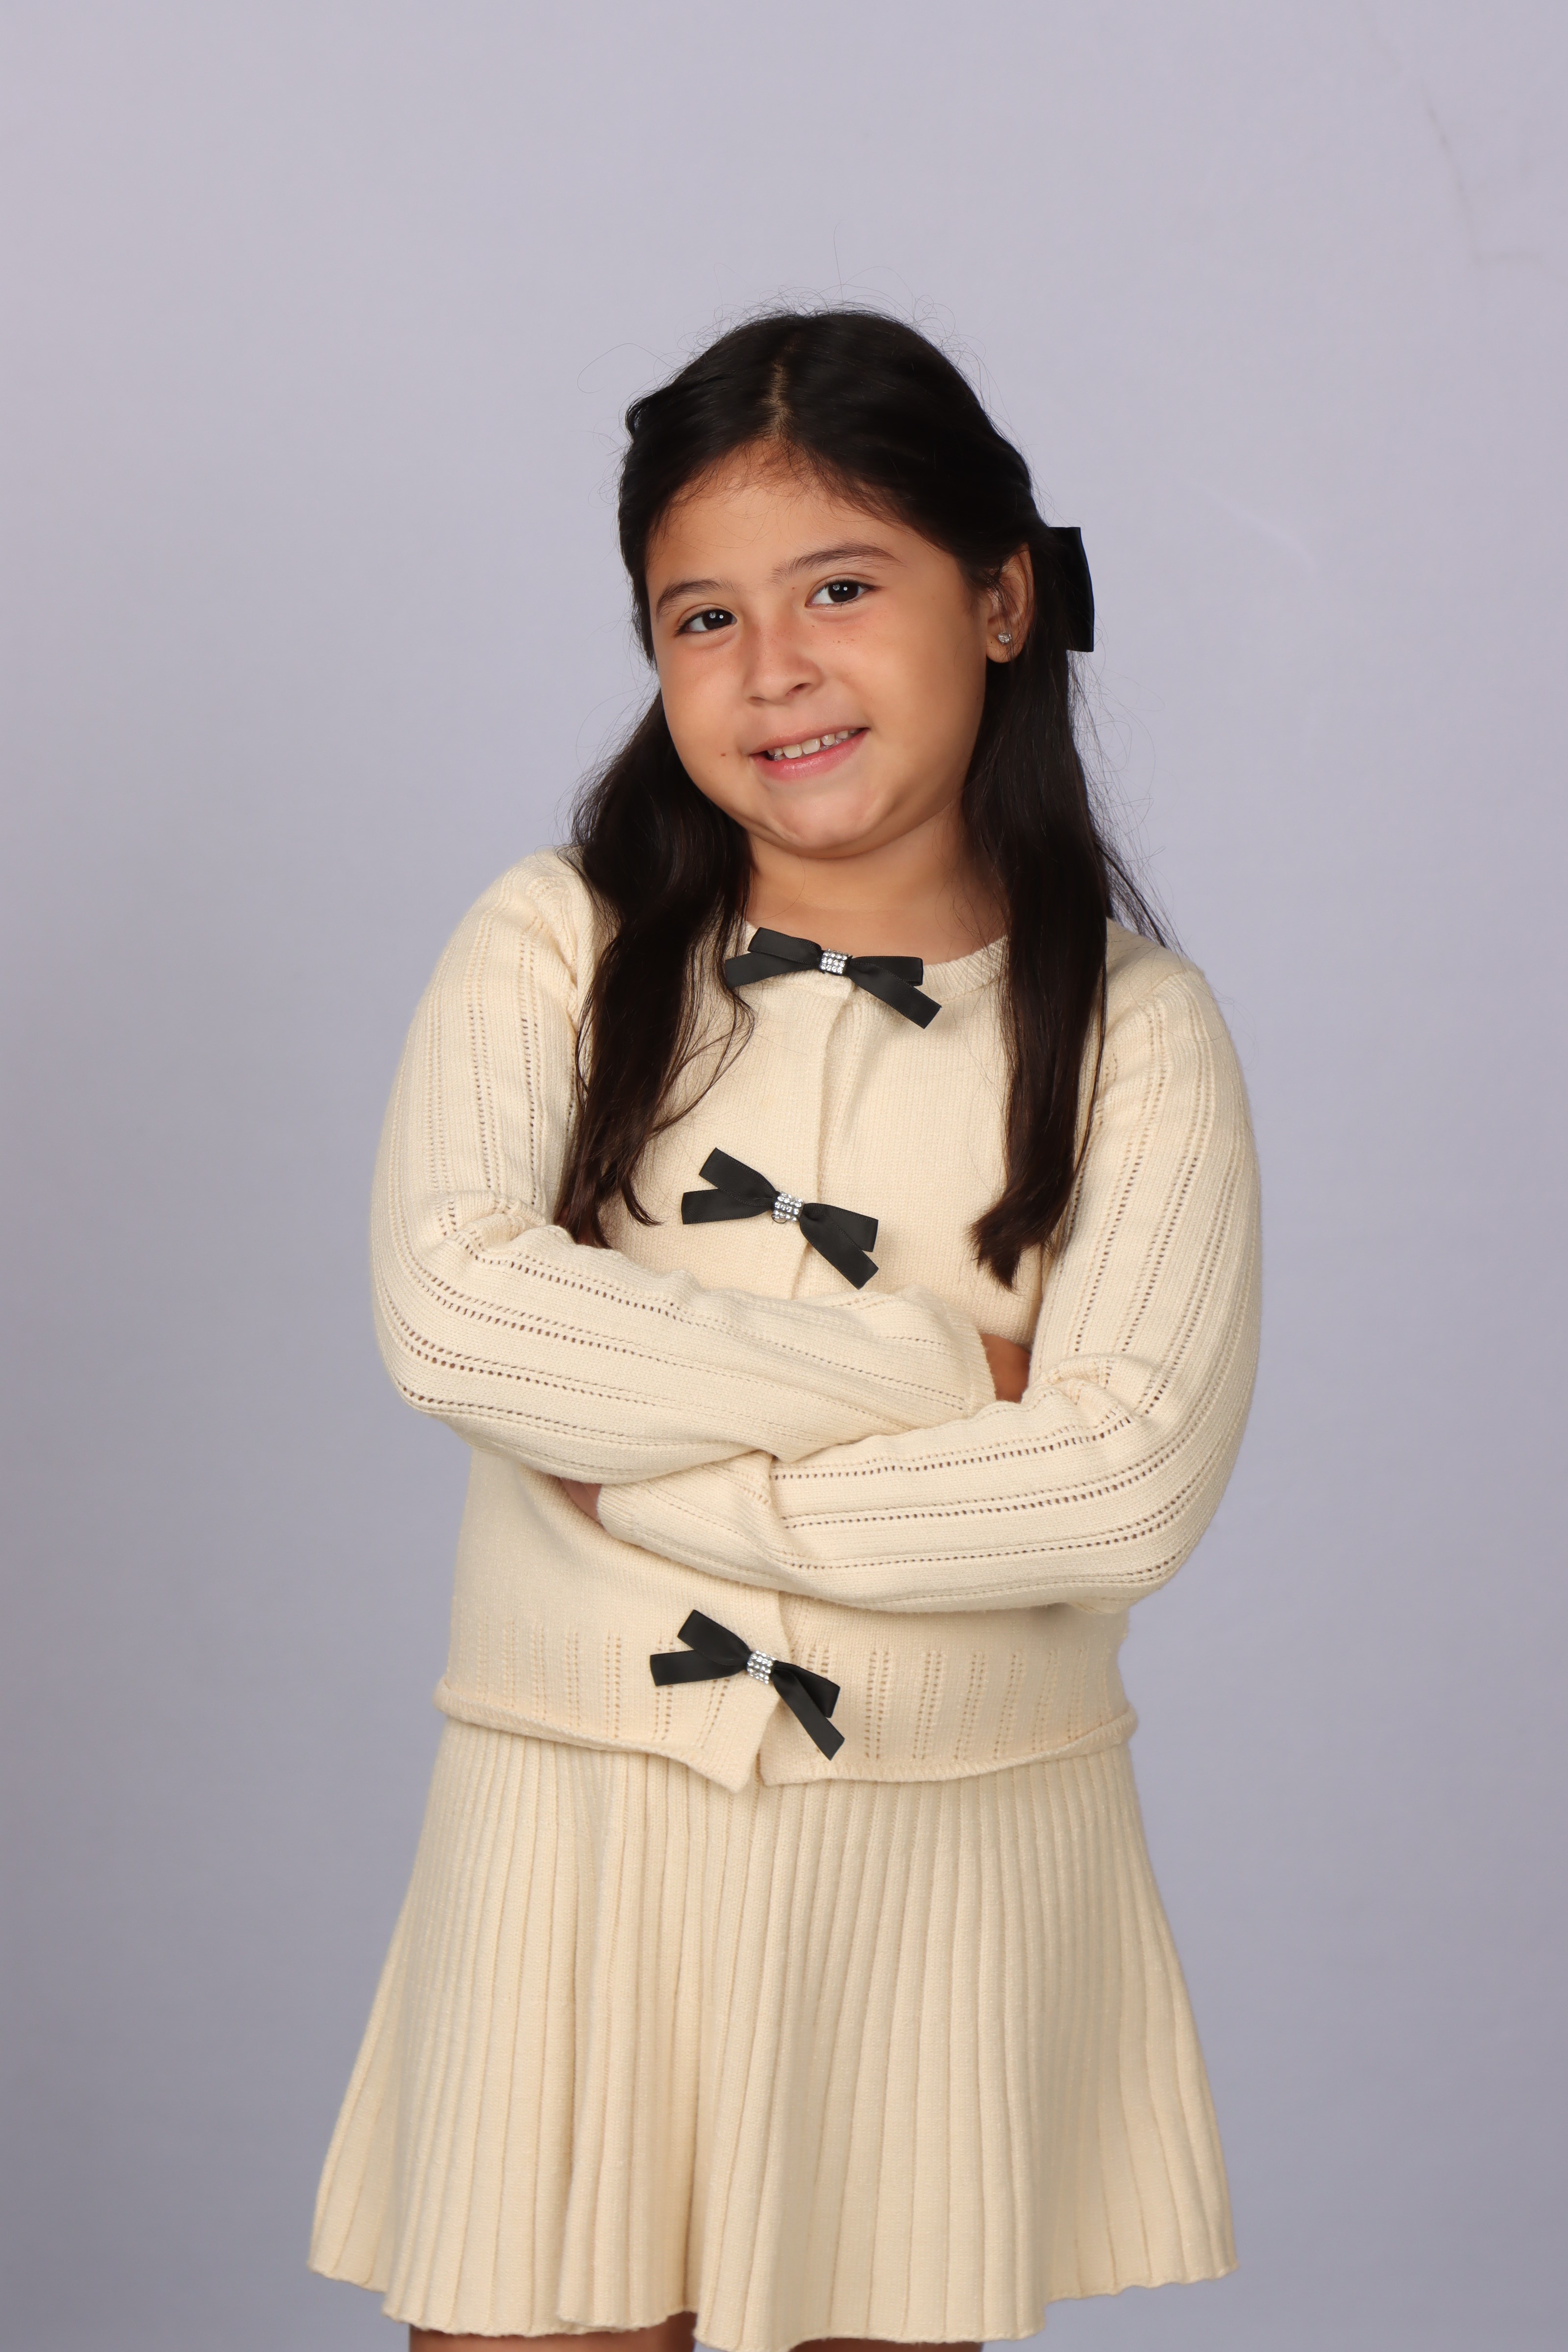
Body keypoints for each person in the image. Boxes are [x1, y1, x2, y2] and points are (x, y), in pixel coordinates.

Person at [309, 308, 1262, 2352]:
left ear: (999, 600)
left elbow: (1116, 1488)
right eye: (701, 619)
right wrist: (926, 1378)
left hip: (940, 1859)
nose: (772, 671)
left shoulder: (1136, 1033)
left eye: (840, 589)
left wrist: (683, 1495)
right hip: (578, 1847)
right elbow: (458, 1311)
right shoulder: (553, 946)